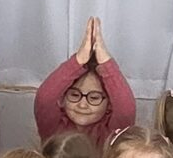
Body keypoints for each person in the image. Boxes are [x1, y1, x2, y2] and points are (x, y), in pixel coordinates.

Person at [37, 18, 136, 146]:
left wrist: (105, 61)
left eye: (94, 98)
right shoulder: (54, 127)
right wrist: (78, 60)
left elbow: (126, 110)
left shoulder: (111, 135)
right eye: (74, 95)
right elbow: (44, 98)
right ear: (62, 98)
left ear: (109, 105)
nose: (82, 105)